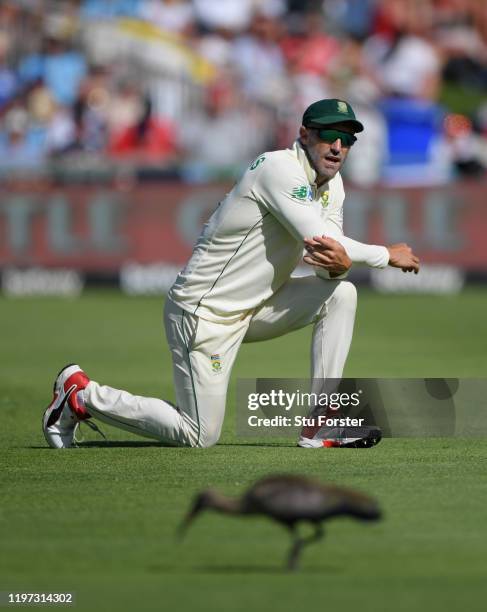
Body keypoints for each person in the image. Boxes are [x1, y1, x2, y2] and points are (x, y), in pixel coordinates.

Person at [42, 98, 419, 449]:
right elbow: (322, 237)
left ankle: (321, 421)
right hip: (203, 313)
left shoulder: (332, 185)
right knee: (199, 434)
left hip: (255, 307)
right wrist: (388, 254)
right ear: (305, 135)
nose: (337, 147)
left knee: (341, 295)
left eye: (346, 139)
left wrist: (338, 269)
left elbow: (329, 259)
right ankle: (80, 395)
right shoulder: (278, 168)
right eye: (328, 136)